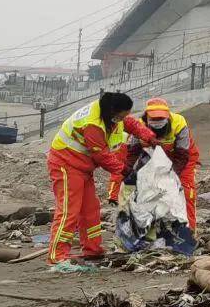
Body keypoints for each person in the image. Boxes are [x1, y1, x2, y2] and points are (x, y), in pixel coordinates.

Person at [46, 91, 150, 268]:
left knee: (90, 209)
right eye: (121, 116)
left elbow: (130, 123)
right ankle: (57, 255)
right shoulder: (93, 125)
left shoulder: (110, 114)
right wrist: (125, 171)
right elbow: (101, 156)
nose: (123, 119)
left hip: (83, 167)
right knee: (69, 210)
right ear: (112, 112)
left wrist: (148, 136)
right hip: (66, 164)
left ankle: (92, 249)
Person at [107, 97, 199, 231]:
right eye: (154, 119)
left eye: (160, 119)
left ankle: (189, 231)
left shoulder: (179, 123)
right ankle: (151, 230)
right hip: (154, 158)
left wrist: (171, 177)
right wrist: (128, 176)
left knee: (185, 193)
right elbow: (132, 155)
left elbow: (182, 156)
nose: (157, 122)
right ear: (146, 117)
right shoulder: (138, 127)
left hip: (182, 159)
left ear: (168, 116)